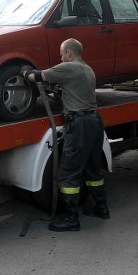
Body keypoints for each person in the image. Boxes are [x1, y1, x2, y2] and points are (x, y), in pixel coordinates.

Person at [22, 38, 109, 232]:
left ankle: (71, 219)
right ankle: (101, 207)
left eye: (62, 53)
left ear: (69, 52)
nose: (61, 57)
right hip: (94, 121)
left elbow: (38, 76)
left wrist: (25, 72)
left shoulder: (69, 68)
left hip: (79, 124)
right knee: (92, 169)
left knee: (69, 172)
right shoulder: (87, 69)